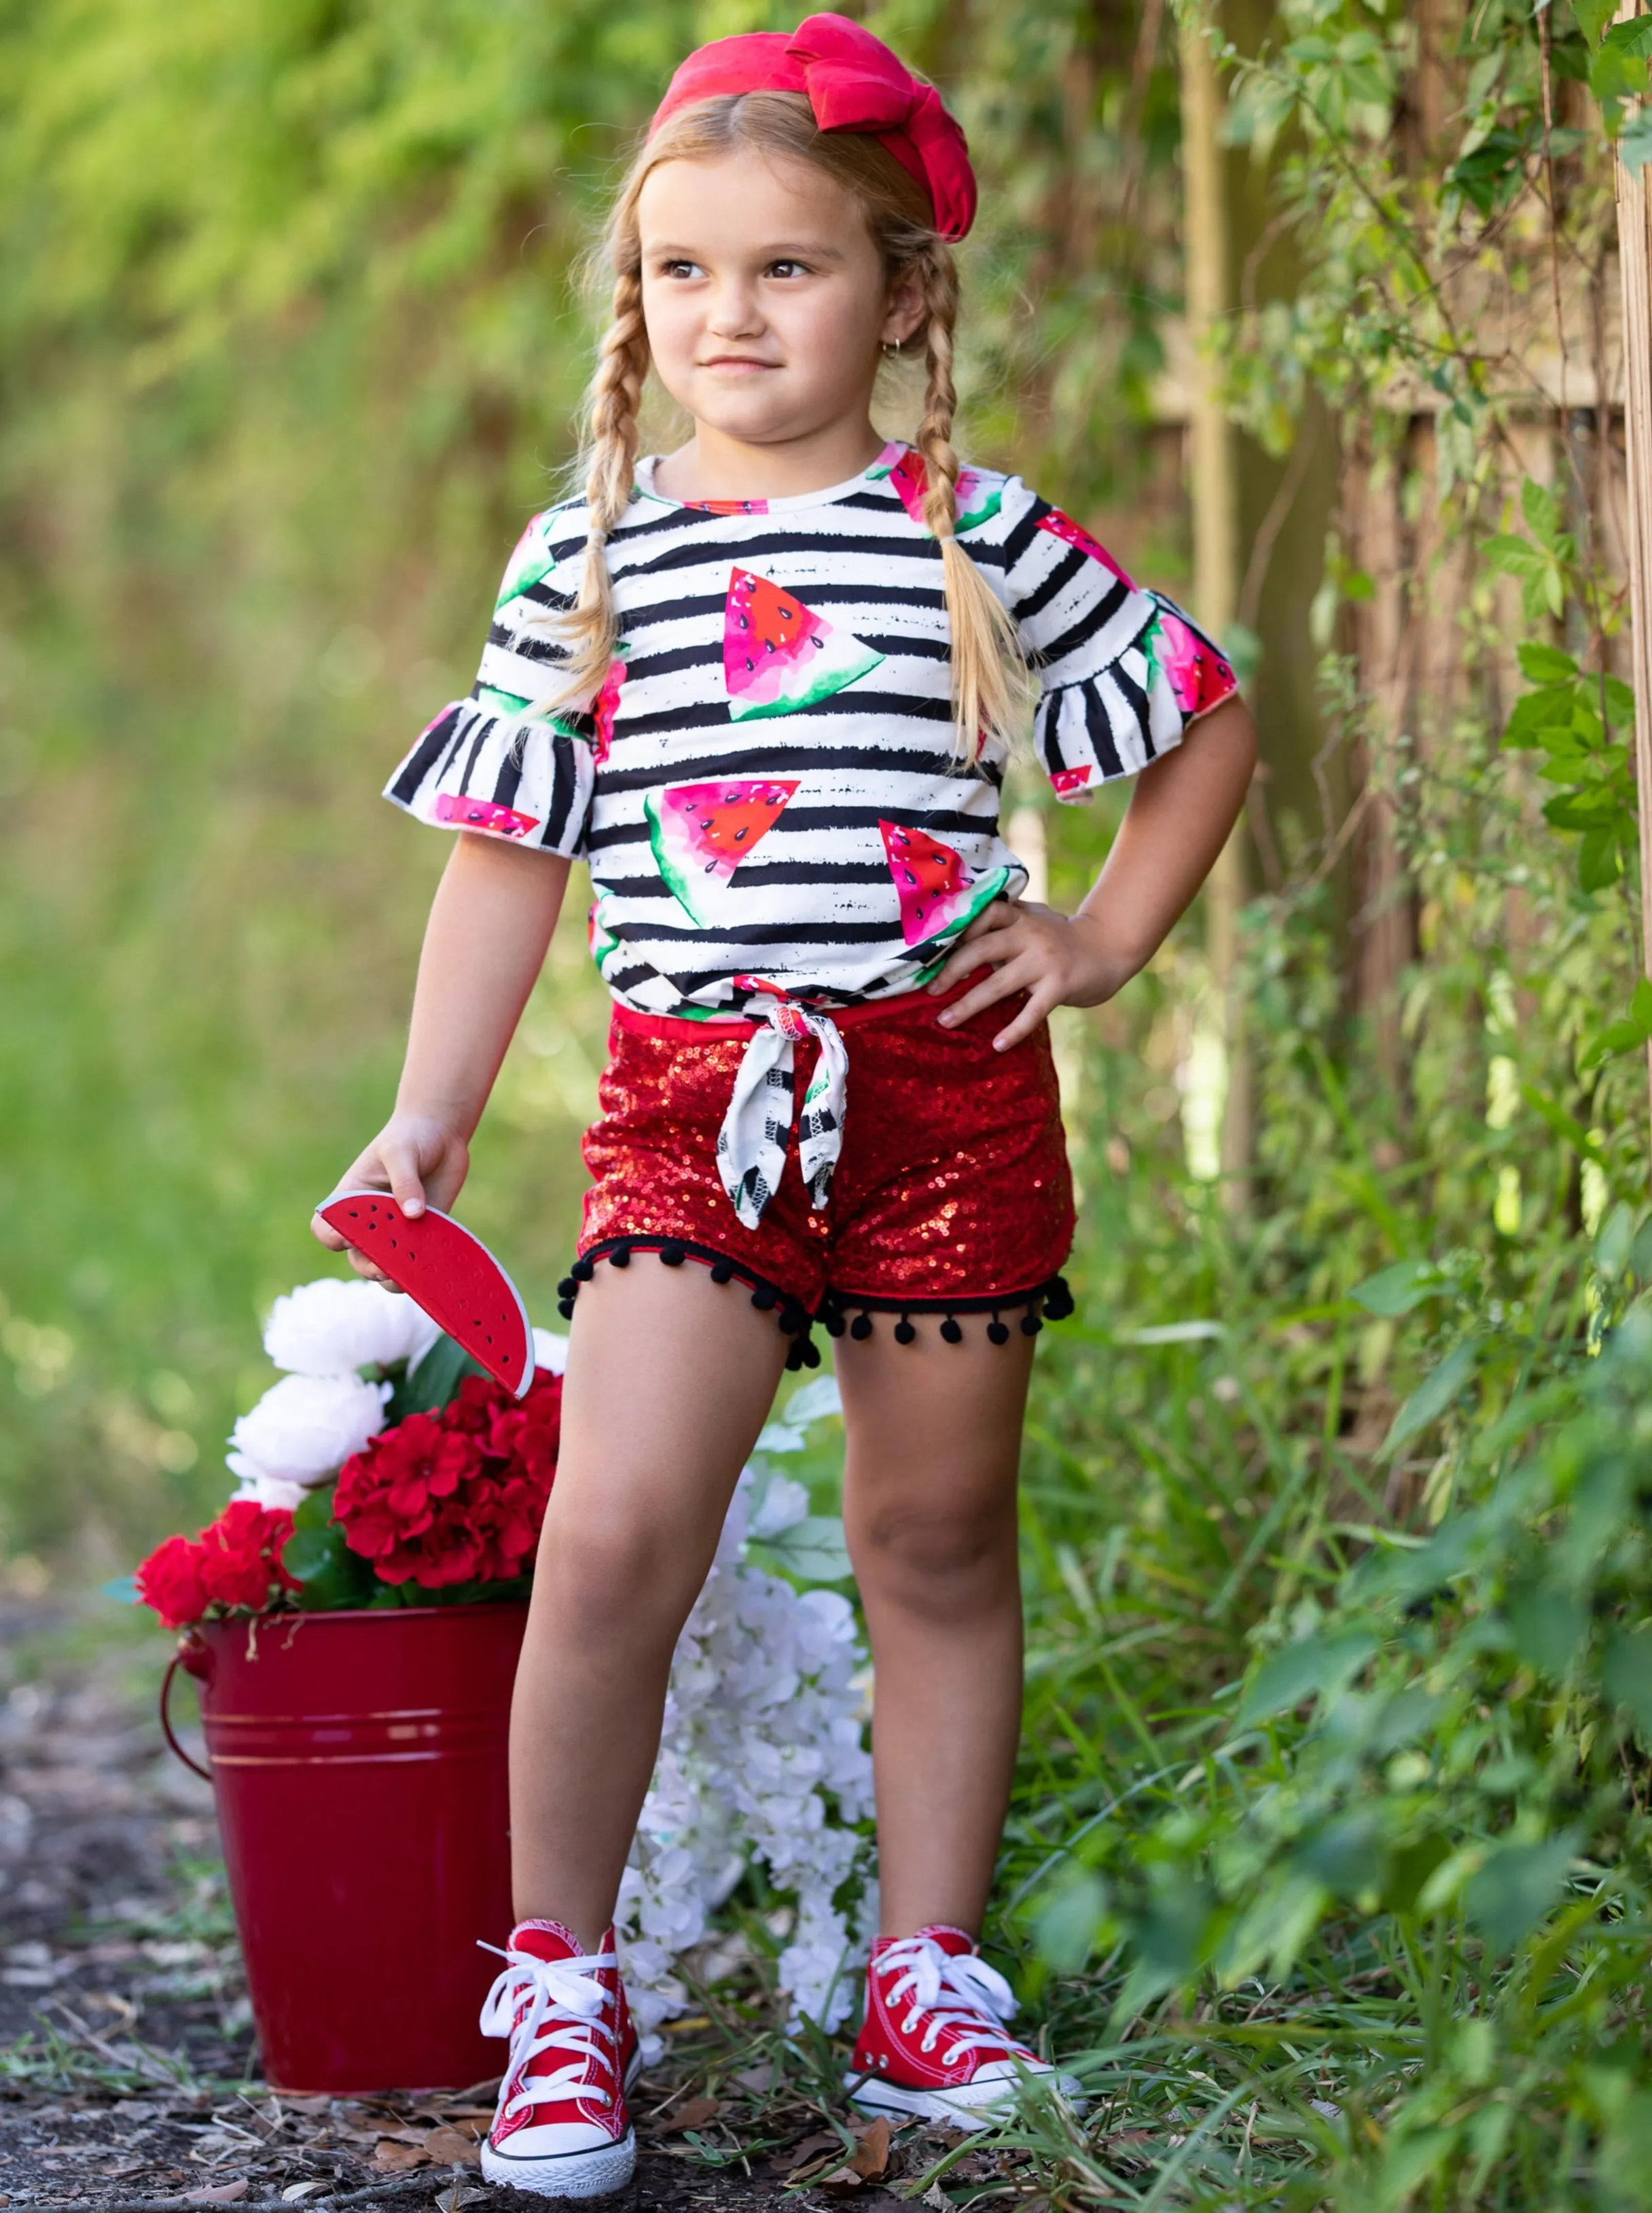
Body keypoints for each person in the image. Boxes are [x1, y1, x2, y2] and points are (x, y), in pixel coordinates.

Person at [315, 12, 1255, 2198]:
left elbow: (1201, 722)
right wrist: (428, 1112)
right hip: (698, 1103)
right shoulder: (592, 553)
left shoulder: (981, 532)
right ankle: (558, 1980)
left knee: (934, 1541)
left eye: (789, 270)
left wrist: (1103, 938)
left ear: (901, 297)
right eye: (684, 273)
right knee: (618, 1520)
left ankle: (923, 1973)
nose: (730, 315)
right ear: (634, 299)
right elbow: (507, 850)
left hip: (956, 1102)